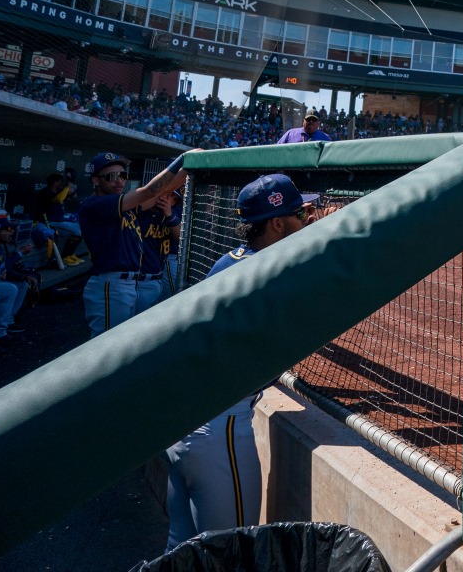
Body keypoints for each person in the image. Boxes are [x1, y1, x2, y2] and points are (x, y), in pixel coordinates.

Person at [164, 173, 320, 550]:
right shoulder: (263, 273)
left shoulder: (230, 260)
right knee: (230, 551)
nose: (307, 220)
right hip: (221, 429)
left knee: (182, 550)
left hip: (182, 421)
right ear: (278, 223)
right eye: (299, 214)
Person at [77, 150, 199, 336]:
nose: (119, 180)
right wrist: (183, 160)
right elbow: (150, 191)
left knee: (124, 344)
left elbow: (163, 191)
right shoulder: (95, 204)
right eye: (112, 176)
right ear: (96, 180)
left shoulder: (124, 205)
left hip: (128, 284)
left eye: (123, 175)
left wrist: (192, 165)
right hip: (111, 283)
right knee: (108, 349)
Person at [0, 211, 40, 353]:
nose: (11, 232)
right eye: (8, 230)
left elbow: (4, 268)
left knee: (12, 288)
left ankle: (1, 331)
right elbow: (3, 266)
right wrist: (19, 253)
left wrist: (23, 277)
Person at [34, 171, 83, 268]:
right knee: (77, 231)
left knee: (81, 228)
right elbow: (57, 199)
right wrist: (67, 187)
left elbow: (74, 196)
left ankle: (70, 254)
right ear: (55, 182)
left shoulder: (59, 192)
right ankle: (66, 256)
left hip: (59, 220)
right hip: (49, 222)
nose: (62, 183)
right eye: (60, 181)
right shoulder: (45, 192)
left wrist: (70, 187)